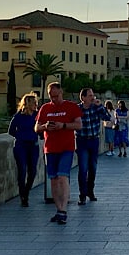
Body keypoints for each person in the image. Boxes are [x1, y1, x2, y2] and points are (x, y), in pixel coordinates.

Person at [35, 82, 83, 225]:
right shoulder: (45, 108)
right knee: (54, 180)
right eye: (51, 96)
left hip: (66, 148)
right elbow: (36, 127)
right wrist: (45, 126)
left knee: (63, 177)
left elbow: (79, 125)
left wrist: (63, 126)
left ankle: (64, 210)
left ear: (61, 92)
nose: (53, 99)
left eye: (56, 96)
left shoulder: (71, 107)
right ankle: (59, 210)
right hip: (50, 149)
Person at [76, 87, 113, 205]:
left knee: (93, 168)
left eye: (93, 95)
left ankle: (90, 191)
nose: (93, 97)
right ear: (83, 98)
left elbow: (107, 118)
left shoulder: (96, 108)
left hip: (94, 141)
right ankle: (82, 194)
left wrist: (100, 106)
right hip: (82, 141)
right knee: (82, 169)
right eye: (90, 96)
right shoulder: (77, 109)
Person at [8, 92, 40, 207]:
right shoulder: (18, 116)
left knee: (32, 172)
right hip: (21, 146)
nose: (36, 105)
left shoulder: (37, 115)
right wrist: (21, 136)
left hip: (33, 146)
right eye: (34, 103)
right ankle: (23, 196)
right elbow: (11, 130)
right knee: (22, 170)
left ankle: (26, 191)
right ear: (28, 104)